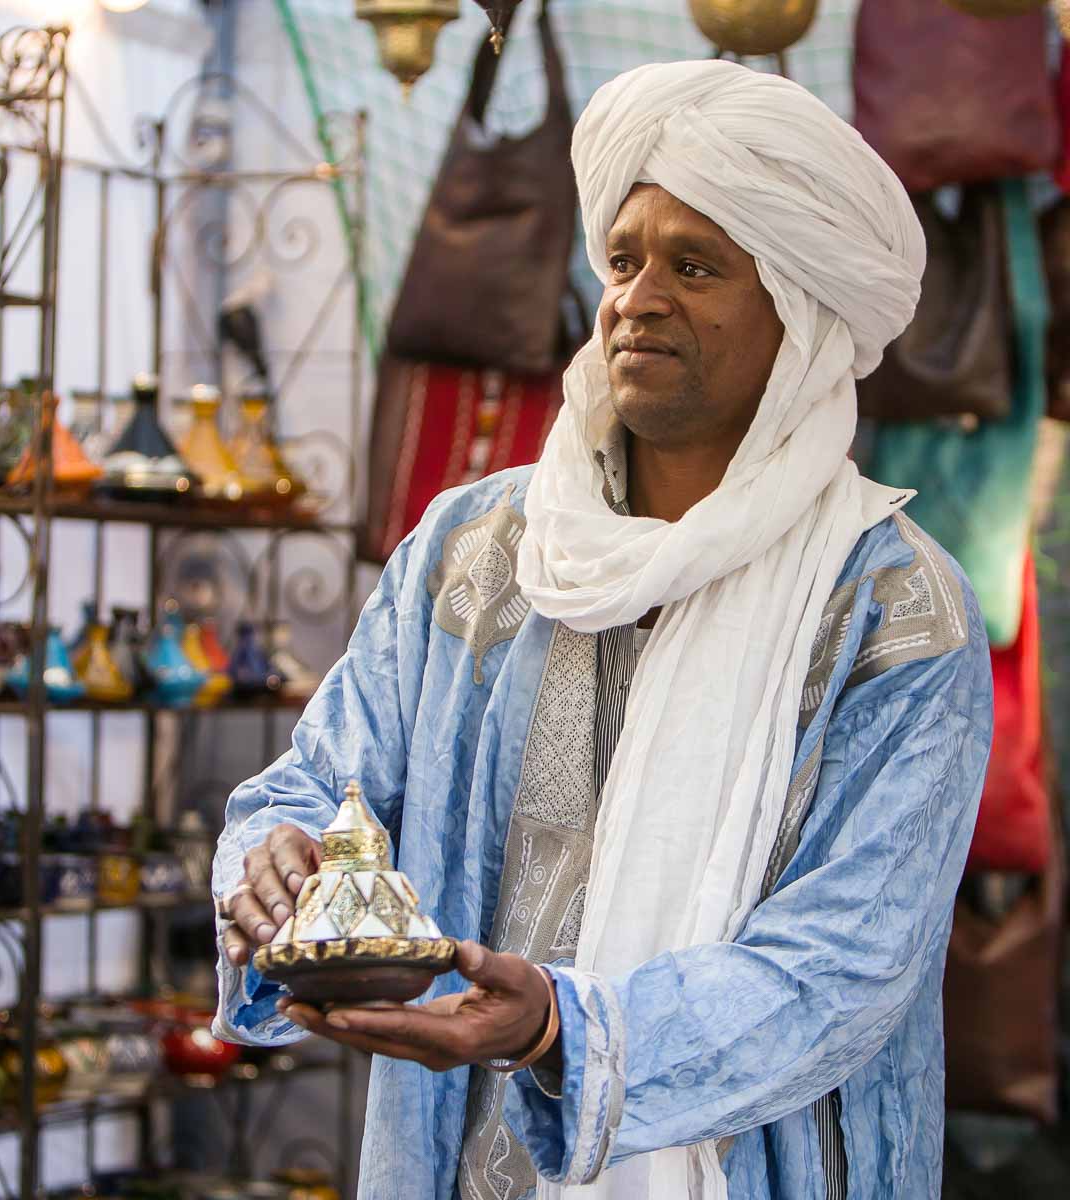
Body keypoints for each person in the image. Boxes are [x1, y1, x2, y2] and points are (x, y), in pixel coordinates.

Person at [211, 60, 993, 1200]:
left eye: (696, 266)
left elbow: (847, 965)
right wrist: (270, 868)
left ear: (806, 314)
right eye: (623, 260)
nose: (637, 296)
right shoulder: (472, 550)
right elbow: (319, 789)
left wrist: (563, 1033)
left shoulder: (892, 608)